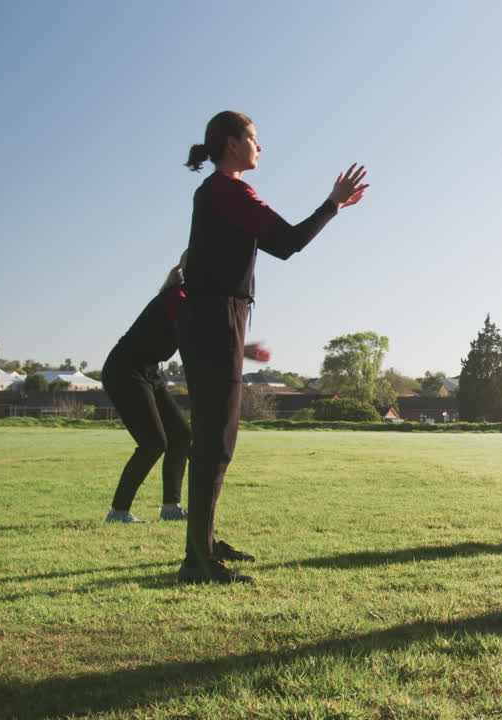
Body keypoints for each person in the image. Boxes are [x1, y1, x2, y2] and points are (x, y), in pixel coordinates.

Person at [178, 110, 369, 584]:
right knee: (216, 441)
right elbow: (287, 242)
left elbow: (277, 245)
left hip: (217, 315)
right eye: (254, 139)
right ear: (231, 143)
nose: (261, 147)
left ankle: (203, 545)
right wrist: (332, 204)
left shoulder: (220, 192)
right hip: (216, 315)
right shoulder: (228, 190)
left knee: (215, 438)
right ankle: (197, 562)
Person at [101, 254, 191, 524]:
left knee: (181, 435)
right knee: (154, 442)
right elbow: (193, 339)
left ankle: (170, 507)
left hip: (149, 370)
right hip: (125, 369)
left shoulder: (187, 298)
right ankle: (118, 512)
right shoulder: (179, 296)